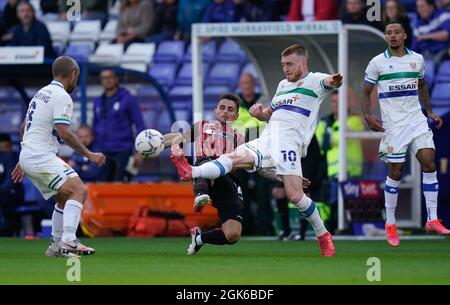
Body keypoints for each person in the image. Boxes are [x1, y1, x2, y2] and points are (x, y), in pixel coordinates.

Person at [170, 44, 342, 257]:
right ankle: (191, 172)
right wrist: (259, 113)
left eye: (289, 64)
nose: (285, 69)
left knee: (296, 196)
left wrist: (336, 79)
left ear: (302, 63)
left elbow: (332, 81)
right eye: (283, 65)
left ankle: (323, 235)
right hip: (268, 137)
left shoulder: (315, 80)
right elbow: (272, 112)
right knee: (232, 157)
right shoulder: (282, 85)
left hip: (289, 144)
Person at [362, 21, 450, 248]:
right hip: (394, 126)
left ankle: (432, 219)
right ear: (386, 37)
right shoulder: (377, 63)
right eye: (388, 33)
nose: (392, 36)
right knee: (396, 171)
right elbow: (365, 91)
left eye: (396, 33)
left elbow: (421, 85)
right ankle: (390, 224)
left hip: (416, 120)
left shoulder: (417, 60)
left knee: (429, 162)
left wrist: (429, 111)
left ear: (404, 36)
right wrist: (368, 116)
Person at [11, 56, 106, 257]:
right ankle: (69, 241)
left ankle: (55, 246)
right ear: (73, 74)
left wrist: (23, 157)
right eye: (77, 77)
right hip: (39, 155)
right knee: (79, 189)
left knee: (64, 198)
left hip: (30, 154)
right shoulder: (61, 96)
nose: (76, 82)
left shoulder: (40, 93)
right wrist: (89, 154)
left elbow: (23, 128)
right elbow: (64, 132)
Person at [162, 93, 246, 255]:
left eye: (230, 109)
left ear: (236, 116)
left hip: (229, 179)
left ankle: (200, 238)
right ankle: (200, 195)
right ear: (215, 111)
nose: (225, 112)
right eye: (222, 108)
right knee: (207, 164)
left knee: (233, 235)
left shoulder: (240, 139)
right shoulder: (203, 127)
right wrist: (158, 142)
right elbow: (178, 137)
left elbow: (250, 161)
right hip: (205, 170)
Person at [315, 90, 364, 233]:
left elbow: (338, 137)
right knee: (333, 202)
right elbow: (319, 142)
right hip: (333, 171)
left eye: (339, 102)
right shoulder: (326, 122)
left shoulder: (354, 119)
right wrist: (329, 132)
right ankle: (335, 228)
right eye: (334, 102)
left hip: (352, 171)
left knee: (352, 203)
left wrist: (329, 132)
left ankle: (350, 228)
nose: (336, 105)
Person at [234, 72, 274, 236]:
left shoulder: (263, 101)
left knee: (263, 193)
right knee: (241, 193)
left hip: (261, 152)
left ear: (254, 83)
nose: (247, 86)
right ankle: (247, 228)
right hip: (242, 153)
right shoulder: (236, 103)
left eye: (249, 83)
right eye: (244, 83)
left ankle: (266, 229)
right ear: (240, 85)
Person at [93, 69, 146, 182]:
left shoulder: (128, 99)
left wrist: (139, 152)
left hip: (123, 150)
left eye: (110, 77)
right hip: (103, 151)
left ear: (116, 79)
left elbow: (140, 125)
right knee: (102, 185)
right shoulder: (98, 101)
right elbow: (95, 125)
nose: (107, 80)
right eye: (104, 78)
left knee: (120, 184)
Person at [412, 0, 450, 66]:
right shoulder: (418, 24)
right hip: (425, 54)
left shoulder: (444, 15)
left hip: (442, 52)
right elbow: (414, 47)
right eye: (418, 7)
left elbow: (446, 35)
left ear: (431, 6)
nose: (419, 10)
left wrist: (425, 37)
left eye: (422, 6)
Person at [0, 133, 23, 236]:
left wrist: (2, 190)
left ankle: (4, 229)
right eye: (1, 148)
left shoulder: (14, 157)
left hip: (13, 193)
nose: (3, 150)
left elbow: (11, 179)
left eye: (6, 147)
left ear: (10, 146)